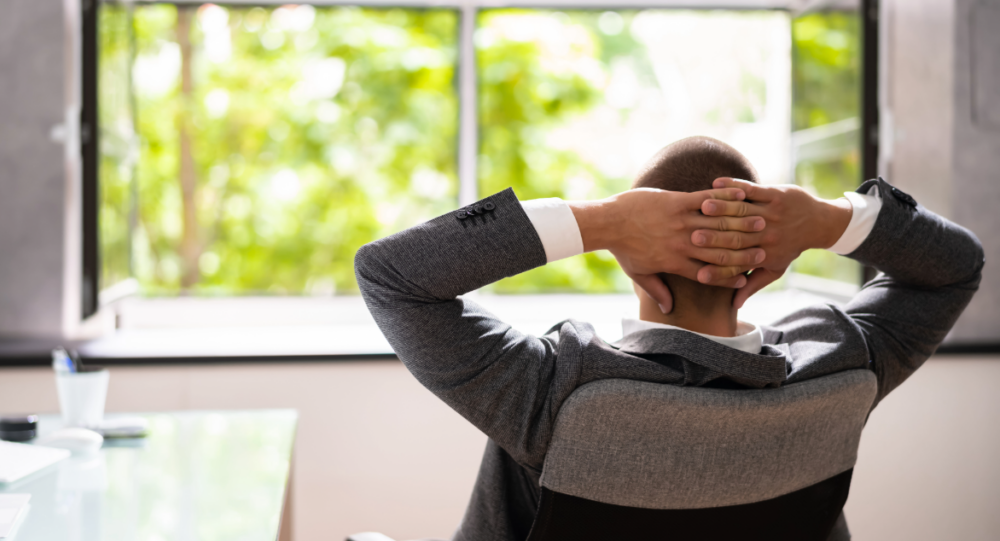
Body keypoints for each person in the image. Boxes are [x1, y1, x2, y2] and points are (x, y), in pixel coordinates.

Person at [354, 136, 983, 541]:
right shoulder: (843, 367)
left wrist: (604, 220)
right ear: (758, 270)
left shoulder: (554, 392)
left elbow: (391, 274)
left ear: (636, 259)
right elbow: (957, 265)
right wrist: (828, 219)